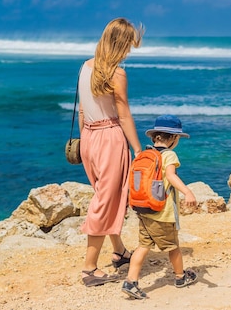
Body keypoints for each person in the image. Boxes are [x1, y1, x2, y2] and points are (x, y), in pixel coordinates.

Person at [78, 17, 145, 287]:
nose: (129, 50)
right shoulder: (116, 73)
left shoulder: (85, 67)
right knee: (105, 201)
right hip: (109, 138)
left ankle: (119, 251)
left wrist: (86, 141)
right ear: (120, 44)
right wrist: (138, 149)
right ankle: (89, 268)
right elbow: (124, 114)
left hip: (88, 138)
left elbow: (83, 110)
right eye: (128, 44)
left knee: (107, 194)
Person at [122, 114, 198, 299]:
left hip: (143, 210)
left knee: (142, 246)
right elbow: (171, 176)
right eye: (178, 137)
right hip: (162, 213)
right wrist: (187, 192)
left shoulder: (145, 154)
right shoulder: (169, 155)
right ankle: (181, 277)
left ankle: (130, 282)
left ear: (155, 137)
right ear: (172, 138)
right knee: (173, 247)